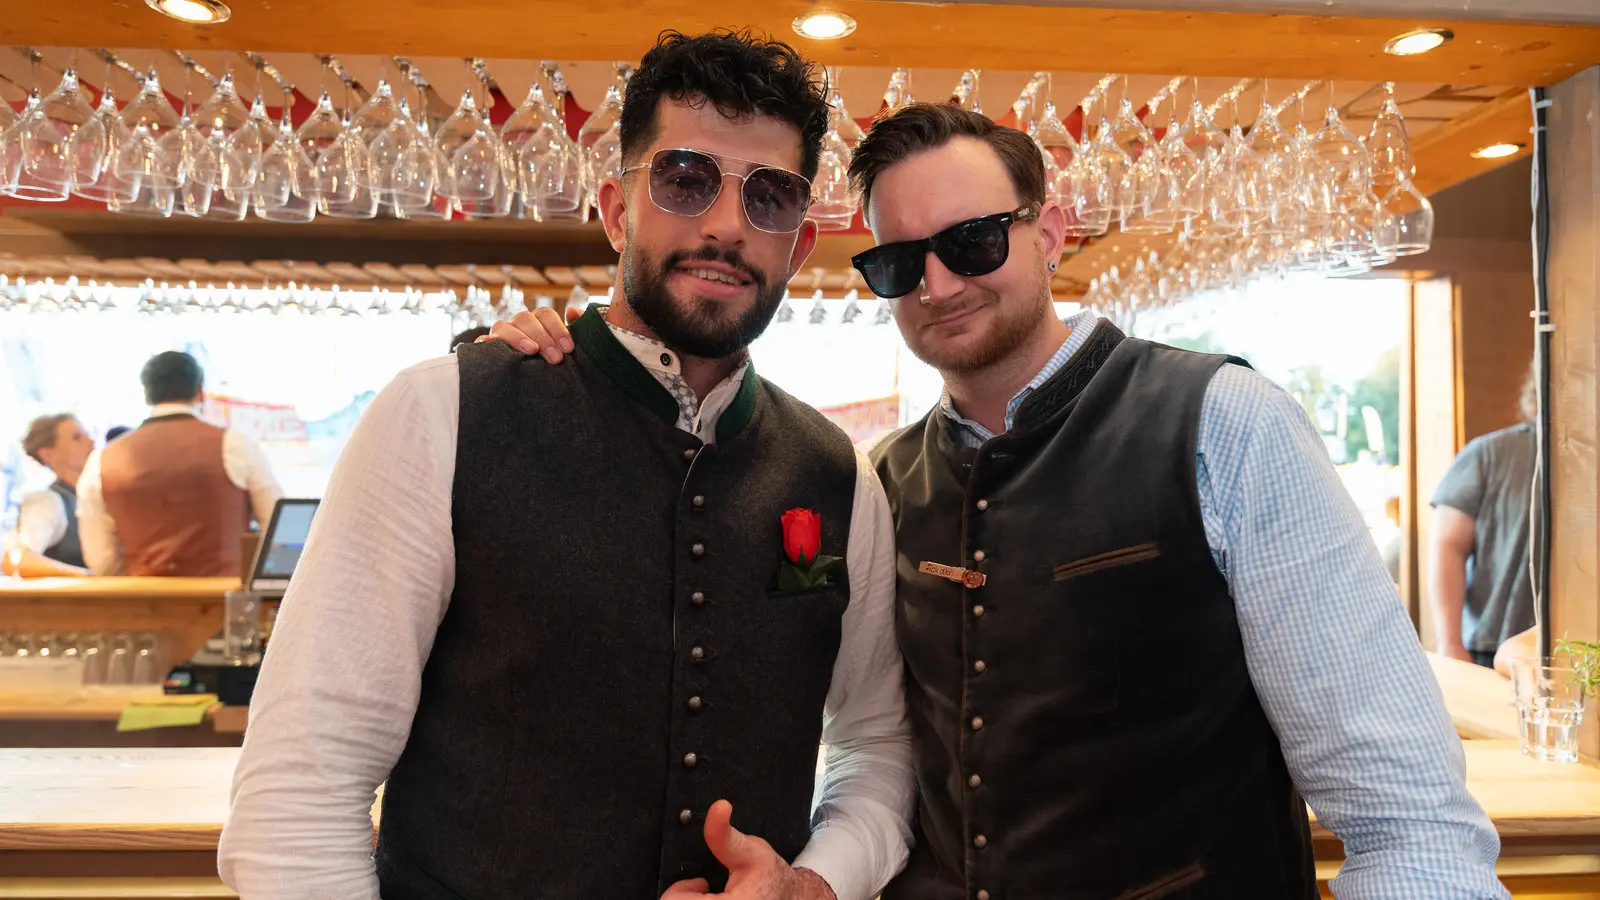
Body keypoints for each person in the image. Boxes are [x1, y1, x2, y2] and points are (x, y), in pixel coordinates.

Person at [490, 102, 1507, 898]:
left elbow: (1403, 815)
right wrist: (535, 370)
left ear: (1049, 233)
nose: (938, 285)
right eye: (899, 263)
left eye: (973, 241)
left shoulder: (1224, 425)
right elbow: (862, 738)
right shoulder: (879, 481)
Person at [220, 31, 911, 900]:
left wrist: (816, 884)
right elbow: (301, 788)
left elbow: (876, 746)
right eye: (686, 179)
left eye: (768, 196)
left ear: (799, 246)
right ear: (617, 211)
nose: (726, 225)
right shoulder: (441, 413)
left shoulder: (839, 475)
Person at [76, 351, 283, 577]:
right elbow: (278, 524)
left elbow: (101, 560)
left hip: (143, 595)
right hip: (224, 592)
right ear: (200, 392)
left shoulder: (102, 460)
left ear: (147, 397)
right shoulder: (235, 444)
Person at [1429, 368, 1538, 668]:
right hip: (1490, 646)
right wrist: (1450, 643)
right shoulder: (1490, 454)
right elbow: (1448, 545)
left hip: (1579, 653)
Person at [2, 414, 94, 577]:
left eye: (87, 435)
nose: (90, 441)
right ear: (47, 454)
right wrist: (88, 577)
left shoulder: (92, 497)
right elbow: (17, 560)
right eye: (76, 437)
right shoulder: (48, 502)